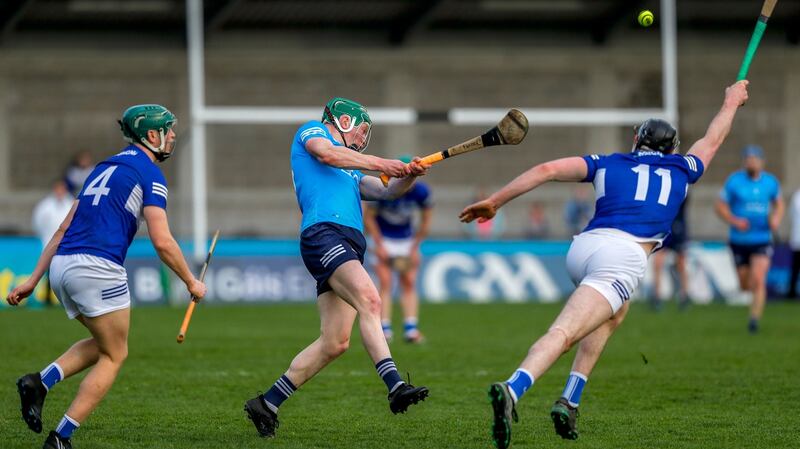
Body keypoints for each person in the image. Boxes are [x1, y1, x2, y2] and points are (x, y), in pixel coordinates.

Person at [460, 81, 749, 448]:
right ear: (672, 148)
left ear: (635, 139)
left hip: (585, 247)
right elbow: (714, 137)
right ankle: (513, 389)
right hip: (623, 257)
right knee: (564, 334)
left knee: (615, 313)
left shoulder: (606, 162)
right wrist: (731, 102)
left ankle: (570, 399)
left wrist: (496, 202)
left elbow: (547, 168)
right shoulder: (684, 167)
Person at [6, 104, 207, 449]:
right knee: (115, 355)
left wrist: (34, 279)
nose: (173, 136)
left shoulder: (102, 168)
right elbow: (162, 240)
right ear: (152, 136)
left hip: (62, 266)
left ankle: (39, 383)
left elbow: (63, 228)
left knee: (104, 344)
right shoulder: (150, 175)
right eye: (168, 130)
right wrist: (191, 280)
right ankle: (61, 438)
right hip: (98, 267)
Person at [244, 97, 430, 439]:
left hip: (348, 242)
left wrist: (409, 177)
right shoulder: (312, 133)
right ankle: (395, 386)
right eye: (361, 131)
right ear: (343, 121)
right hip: (324, 233)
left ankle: (266, 403)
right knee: (371, 300)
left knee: (335, 342)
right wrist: (382, 161)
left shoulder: (351, 169)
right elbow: (327, 153)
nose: (362, 139)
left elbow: (384, 192)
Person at [363, 156, 433, 343]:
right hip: (383, 238)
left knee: (409, 281)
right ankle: (384, 328)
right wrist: (378, 244)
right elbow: (368, 218)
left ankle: (411, 328)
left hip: (406, 240)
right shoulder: (385, 188)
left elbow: (426, 220)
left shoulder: (421, 192)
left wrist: (415, 246)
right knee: (385, 282)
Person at [715, 145, 784, 333]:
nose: (751, 162)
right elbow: (720, 206)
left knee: (758, 280)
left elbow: (779, 204)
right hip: (739, 240)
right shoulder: (734, 182)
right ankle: (752, 302)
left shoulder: (770, 182)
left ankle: (754, 320)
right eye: (748, 159)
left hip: (762, 238)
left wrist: (776, 219)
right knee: (745, 284)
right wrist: (734, 221)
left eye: (754, 159)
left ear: (762, 162)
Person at [32, 179, 75, 306]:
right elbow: (37, 223)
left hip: (68, 243)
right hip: (50, 242)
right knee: (50, 272)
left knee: (68, 272)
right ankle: (48, 298)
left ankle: (68, 299)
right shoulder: (45, 206)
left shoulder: (71, 203)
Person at [651, 194, 690, 310]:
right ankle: (657, 296)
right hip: (662, 227)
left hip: (678, 226)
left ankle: (684, 295)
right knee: (658, 262)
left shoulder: (681, 185)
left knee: (681, 263)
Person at [788, 187, 800, 298]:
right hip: (798, 239)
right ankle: (791, 292)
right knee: (795, 267)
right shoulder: (797, 196)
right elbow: (792, 215)